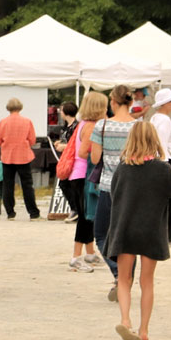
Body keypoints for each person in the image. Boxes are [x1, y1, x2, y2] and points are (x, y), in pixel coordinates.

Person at [106, 121, 171, 340]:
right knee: (147, 281)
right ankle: (143, 330)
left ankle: (125, 320)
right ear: (155, 141)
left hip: (125, 229)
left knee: (124, 279)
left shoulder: (123, 168)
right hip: (151, 231)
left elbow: (115, 196)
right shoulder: (163, 169)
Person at [89, 86, 139, 291]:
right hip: (134, 188)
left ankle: (118, 272)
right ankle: (125, 278)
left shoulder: (102, 126)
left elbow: (94, 158)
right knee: (129, 238)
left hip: (109, 186)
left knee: (101, 234)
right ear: (131, 102)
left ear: (112, 102)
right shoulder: (139, 126)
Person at [64, 92, 106, 271]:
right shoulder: (91, 126)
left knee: (88, 216)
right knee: (84, 217)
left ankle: (89, 252)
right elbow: (83, 152)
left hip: (79, 174)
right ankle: (76, 257)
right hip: (83, 175)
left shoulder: (83, 124)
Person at [147, 88, 171, 243]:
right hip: (165, 160)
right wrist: (163, 162)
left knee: (162, 199)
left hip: (161, 160)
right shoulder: (163, 120)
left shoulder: (155, 118)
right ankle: (170, 235)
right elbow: (161, 141)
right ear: (165, 104)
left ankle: (163, 233)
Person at [0, 98, 40, 220]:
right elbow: (32, 140)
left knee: (8, 185)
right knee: (27, 185)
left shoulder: (3, 122)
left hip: (7, 157)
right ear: (20, 107)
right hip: (24, 156)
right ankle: (33, 212)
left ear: (8, 108)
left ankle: (10, 212)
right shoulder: (27, 121)